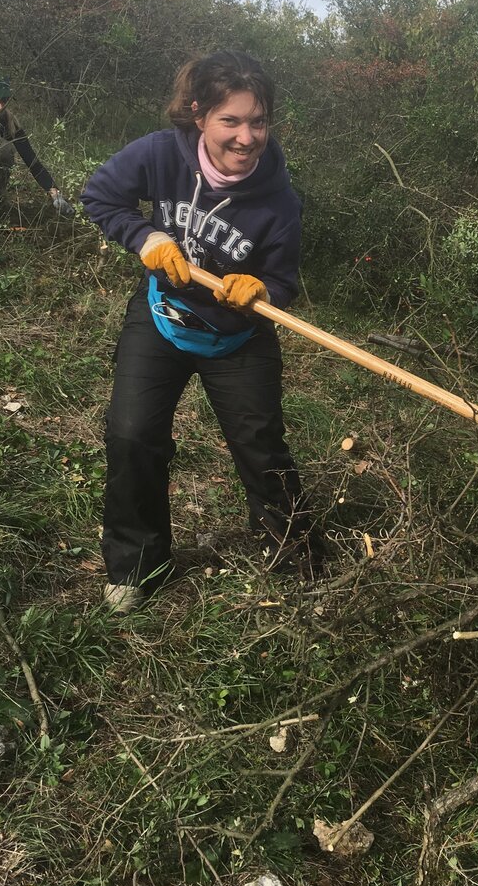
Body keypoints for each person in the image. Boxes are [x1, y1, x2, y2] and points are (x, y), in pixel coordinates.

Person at [81, 50, 323, 613]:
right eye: (230, 121)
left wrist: (260, 291)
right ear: (198, 116)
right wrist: (144, 238)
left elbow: (283, 281)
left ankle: (295, 561)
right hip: (163, 317)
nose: (246, 137)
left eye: (257, 121)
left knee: (261, 449)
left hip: (238, 338)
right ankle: (135, 566)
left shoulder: (280, 200)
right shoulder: (160, 154)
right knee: (132, 434)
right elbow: (101, 197)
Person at [0, 75, 76, 221]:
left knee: (3, 150)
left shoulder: (9, 122)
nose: (0, 107)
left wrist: (55, 194)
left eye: (3, 101)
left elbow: (32, 161)